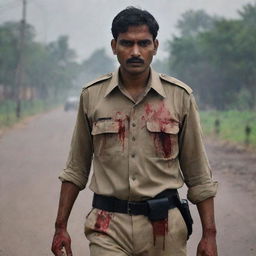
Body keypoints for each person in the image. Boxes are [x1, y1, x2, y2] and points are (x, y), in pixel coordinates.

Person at [51, 6, 218, 256]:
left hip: (165, 230)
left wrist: (210, 235)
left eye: (144, 43)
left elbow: (198, 174)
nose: (136, 52)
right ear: (114, 46)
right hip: (107, 227)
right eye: (127, 43)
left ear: (156, 46)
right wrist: (60, 226)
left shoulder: (179, 97)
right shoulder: (92, 96)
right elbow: (76, 168)